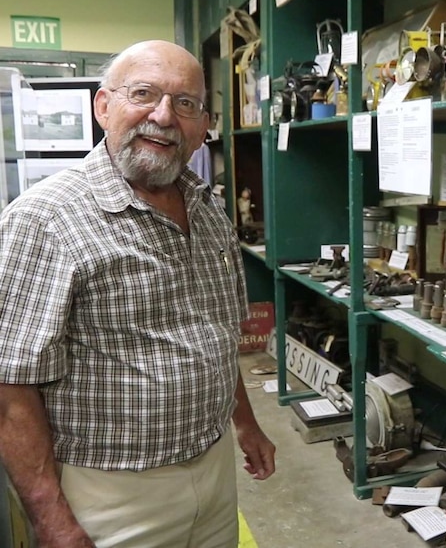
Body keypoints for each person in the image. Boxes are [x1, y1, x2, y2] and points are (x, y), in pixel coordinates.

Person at [0, 40, 276, 548]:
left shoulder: (207, 207)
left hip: (213, 469)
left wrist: (246, 424)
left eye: (185, 103)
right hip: (112, 493)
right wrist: (51, 519)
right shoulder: (45, 220)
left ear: (203, 125)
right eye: (144, 94)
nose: (164, 116)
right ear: (103, 107)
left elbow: (214, 333)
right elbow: (11, 387)